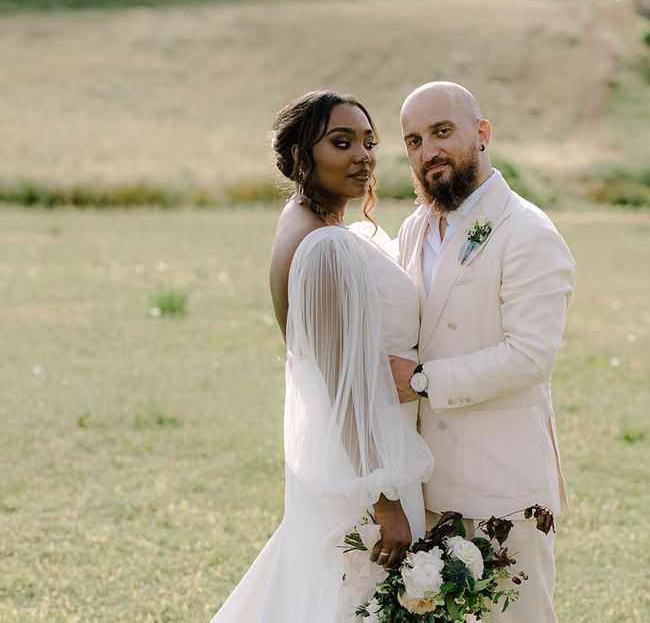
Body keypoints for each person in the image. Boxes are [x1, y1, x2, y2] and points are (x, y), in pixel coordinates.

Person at [210, 91, 433, 622]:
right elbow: (344, 383)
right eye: (342, 142)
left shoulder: (303, 221)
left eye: (369, 142)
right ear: (300, 156)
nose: (364, 156)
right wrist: (385, 503)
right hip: (370, 458)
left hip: (354, 452)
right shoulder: (328, 248)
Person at [390, 81, 576, 622]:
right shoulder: (413, 228)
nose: (428, 152)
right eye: (414, 140)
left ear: (482, 132)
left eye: (442, 132)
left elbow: (529, 355)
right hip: (428, 481)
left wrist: (422, 380)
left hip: (502, 486)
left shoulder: (528, 231)